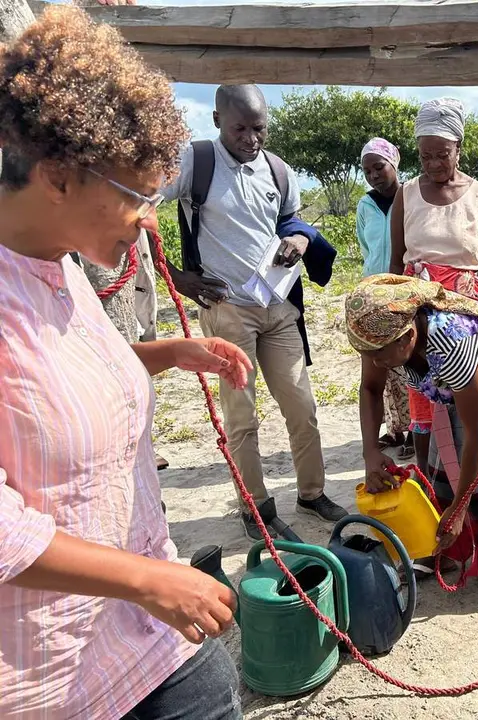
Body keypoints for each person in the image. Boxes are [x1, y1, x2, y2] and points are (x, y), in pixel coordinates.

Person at [0, 8, 250, 718]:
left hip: (145, 632)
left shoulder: (62, 264)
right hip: (51, 671)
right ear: (56, 176)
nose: (150, 218)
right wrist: (146, 579)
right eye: (138, 196)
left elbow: (43, 390)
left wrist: (164, 354)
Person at [162, 84, 347, 539]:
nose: (250, 138)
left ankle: (311, 492)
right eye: (239, 128)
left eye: (258, 128)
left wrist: (301, 240)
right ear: (217, 121)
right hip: (228, 310)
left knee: (301, 405)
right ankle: (256, 508)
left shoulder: (279, 171)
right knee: (242, 414)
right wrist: (175, 275)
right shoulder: (195, 161)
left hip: (279, 306)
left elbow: (291, 221)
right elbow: (139, 212)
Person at [350, 275, 478, 578]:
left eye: (378, 354)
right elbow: (370, 389)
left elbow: (477, 431)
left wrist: (459, 508)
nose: (374, 362)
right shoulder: (379, 336)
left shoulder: (452, 345)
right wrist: (369, 452)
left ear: (409, 338)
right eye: (366, 353)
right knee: (439, 467)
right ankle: (439, 551)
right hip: (471, 372)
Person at [389, 97, 478, 469]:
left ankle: (464, 478)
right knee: (422, 393)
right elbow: (394, 260)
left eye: (443, 154)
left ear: (459, 149)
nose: (434, 164)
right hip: (416, 307)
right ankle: (425, 474)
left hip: (464, 309)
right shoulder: (405, 194)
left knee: (463, 391)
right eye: (425, 157)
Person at [356, 138, 414, 459]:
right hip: (373, 294)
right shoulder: (365, 205)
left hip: (404, 291)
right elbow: (365, 246)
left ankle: (417, 428)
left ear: (394, 163)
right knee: (381, 366)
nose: (374, 175)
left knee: (407, 363)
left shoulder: (411, 197)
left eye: (379, 167)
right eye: (367, 170)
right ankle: (397, 429)